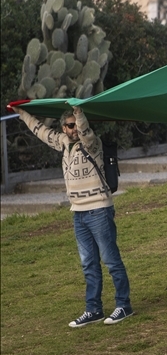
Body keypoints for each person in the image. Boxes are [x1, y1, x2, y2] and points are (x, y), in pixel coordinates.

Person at [13, 105, 133, 327]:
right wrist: (21, 113)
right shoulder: (62, 142)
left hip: (99, 209)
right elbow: (40, 130)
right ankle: (93, 309)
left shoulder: (91, 142)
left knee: (110, 260)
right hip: (78, 212)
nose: (75, 129)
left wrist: (79, 113)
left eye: (76, 125)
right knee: (88, 264)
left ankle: (124, 305)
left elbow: (86, 132)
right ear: (63, 128)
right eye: (70, 126)